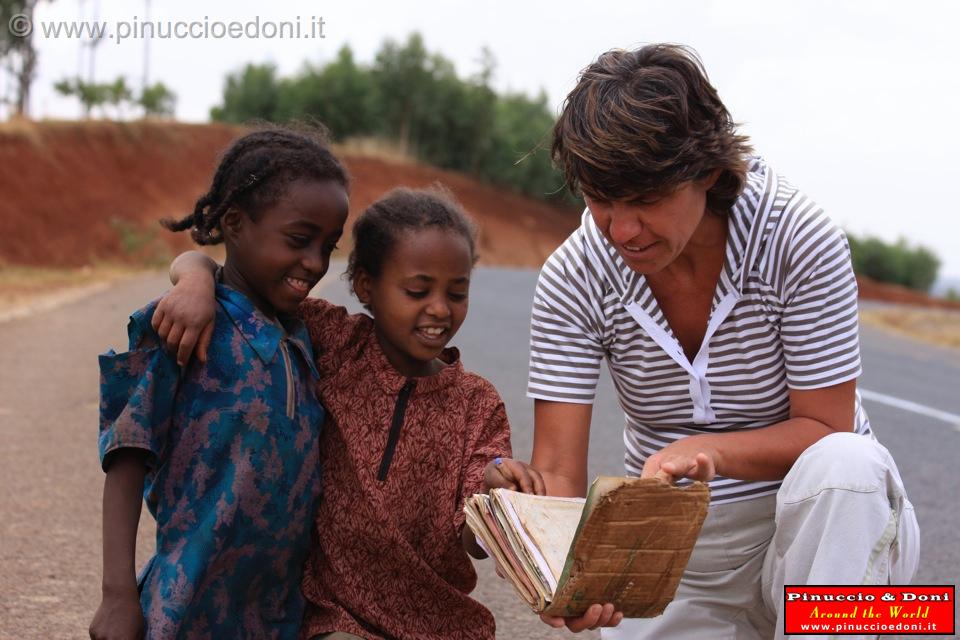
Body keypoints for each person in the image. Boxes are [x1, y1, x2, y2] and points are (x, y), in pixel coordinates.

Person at [528, 44, 919, 638]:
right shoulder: (574, 276)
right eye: (602, 199)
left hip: (823, 529)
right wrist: (563, 579)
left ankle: (887, 621)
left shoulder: (798, 237)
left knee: (850, 465)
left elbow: (826, 426)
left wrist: (711, 451)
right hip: (679, 548)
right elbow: (556, 468)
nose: (623, 230)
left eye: (646, 200)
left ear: (708, 171)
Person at [157, 186, 544, 640]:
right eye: (417, 290)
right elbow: (226, 275)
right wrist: (195, 281)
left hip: (443, 623)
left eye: (457, 293)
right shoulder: (334, 342)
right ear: (365, 286)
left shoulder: (477, 403)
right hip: (335, 614)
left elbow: (474, 543)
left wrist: (495, 496)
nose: (440, 309)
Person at [89, 127, 350, 640]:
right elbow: (126, 452)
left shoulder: (304, 336)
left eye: (328, 246)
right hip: (187, 605)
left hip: (280, 613)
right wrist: (116, 594)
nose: (316, 263)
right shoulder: (187, 326)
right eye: (299, 240)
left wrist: (195, 270)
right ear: (233, 223)